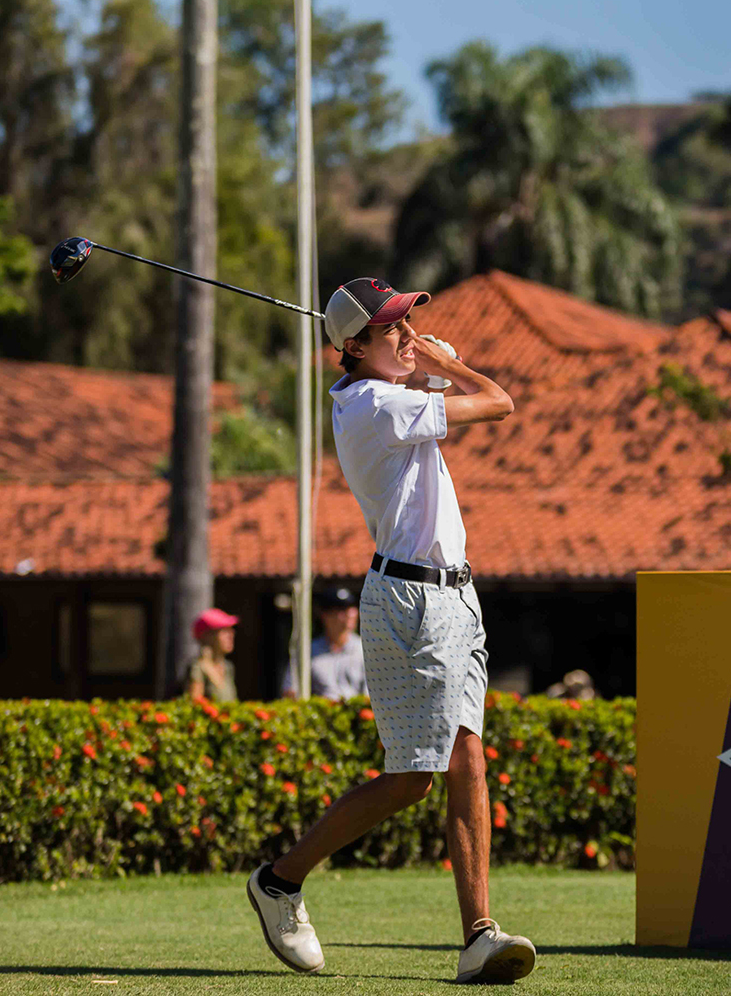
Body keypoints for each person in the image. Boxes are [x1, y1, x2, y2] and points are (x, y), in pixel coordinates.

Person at [246, 277, 535, 983]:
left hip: (454, 599)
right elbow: (500, 404)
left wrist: (421, 361)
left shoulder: (387, 393)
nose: (408, 337)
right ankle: (279, 881)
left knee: (467, 759)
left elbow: (458, 398)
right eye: (393, 331)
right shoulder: (376, 404)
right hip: (412, 601)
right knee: (413, 779)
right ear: (354, 347)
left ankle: (479, 937)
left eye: (409, 325)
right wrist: (443, 364)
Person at [282, 587, 366, 701]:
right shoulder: (307, 652)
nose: (349, 614)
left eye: (351, 608)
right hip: (317, 715)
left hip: (360, 715)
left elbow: (374, 696)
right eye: (340, 610)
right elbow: (290, 691)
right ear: (325, 615)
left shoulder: (365, 650)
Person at [186, 607, 238, 701]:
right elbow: (195, 705)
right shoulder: (198, 667)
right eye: (224, 631)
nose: (231, 635)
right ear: (207, 636)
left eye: (231, 630)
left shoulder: (228, 667)